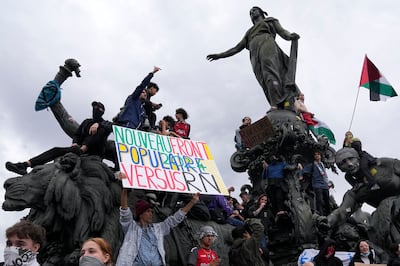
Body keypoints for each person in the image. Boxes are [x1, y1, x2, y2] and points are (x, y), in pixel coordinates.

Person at [207, 6, 300, 110]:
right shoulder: (249, 32)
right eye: (250, 13)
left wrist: (290, 36)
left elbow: (282, 32)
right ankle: (274, 102)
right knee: (263, 78)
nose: (252, 13)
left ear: (261, 12)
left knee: (270, 71)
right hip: (254, 54)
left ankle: (277, 103)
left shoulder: (270, 21)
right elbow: (236, 48)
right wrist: (219, 55)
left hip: (267, 44)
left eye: (254, 10)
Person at [6, 101, 113, 175]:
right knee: (56, 150)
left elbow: (112, 127)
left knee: (102, 131)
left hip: (94, 152)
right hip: (77, 149)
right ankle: (25, 165)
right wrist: (75, 143)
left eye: (98, 108)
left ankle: (82, 149)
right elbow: (77, 134)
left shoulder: (106, 123)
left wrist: (99, 124)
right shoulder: (86, 122)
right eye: (94, 107)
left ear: (102, 111)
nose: (95, 109)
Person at [116, 188, 200, 266]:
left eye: (152, 212)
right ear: (141, 214)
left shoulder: (158, 229)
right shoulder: (131, 227)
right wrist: (124, 192)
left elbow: (175, 219)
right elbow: (124, 211)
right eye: (148, 211)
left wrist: (192, 202)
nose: (151, 214)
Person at [300, 151, 331, 216]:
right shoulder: (312, 165)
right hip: (317, 185)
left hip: (325, 185)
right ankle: (321, 216)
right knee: (319, 200)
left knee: (327, 201)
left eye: (318, 154)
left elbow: (325, 175)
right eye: (315, 155)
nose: (317, 156)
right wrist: (300, 174)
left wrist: (328, 183)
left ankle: (329, 215)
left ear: (320, 156)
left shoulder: (322, 165)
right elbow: (303, 170)